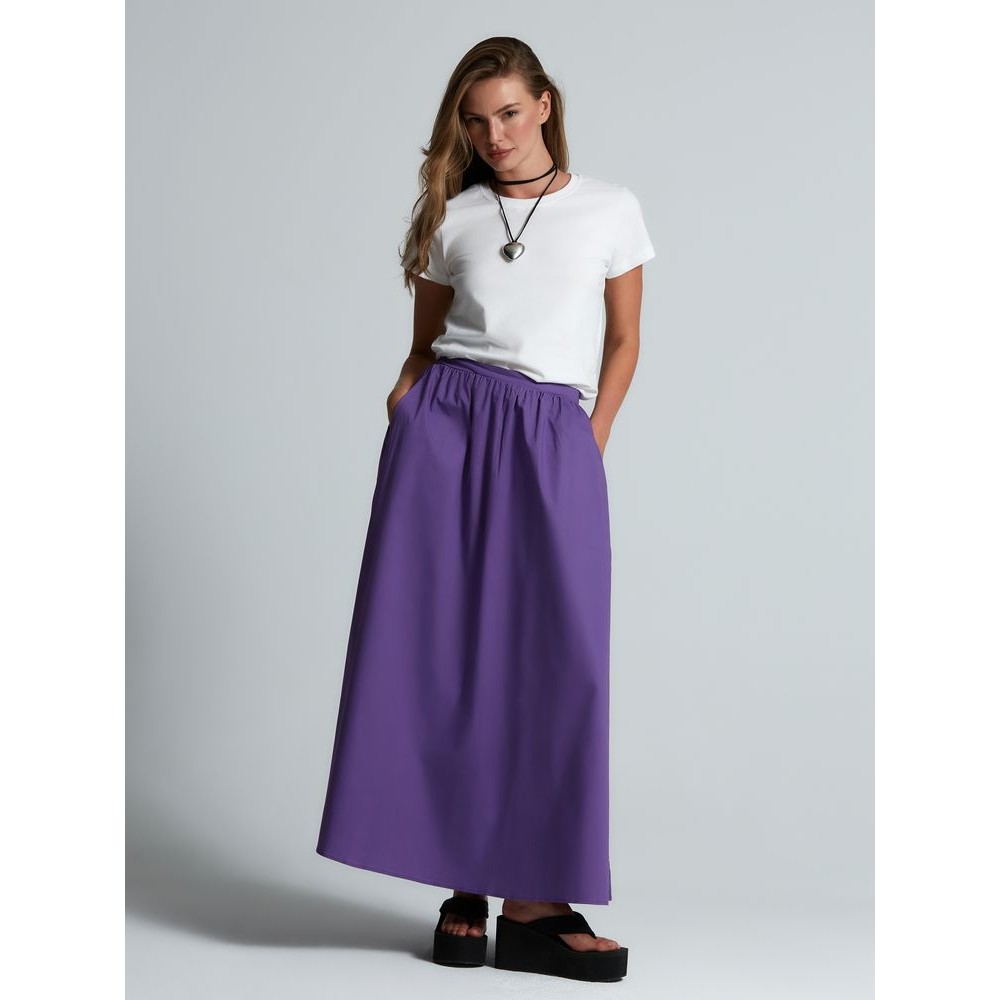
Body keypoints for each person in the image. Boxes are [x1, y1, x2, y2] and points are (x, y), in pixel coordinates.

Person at [315, 36, 654, 984]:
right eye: (475, 121)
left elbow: (624, 340)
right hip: (448, 431)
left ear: (544, 104)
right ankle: (463, 884)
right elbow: (423, 344)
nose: (494, 135)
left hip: (550, 433)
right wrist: (407, 404)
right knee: (442, 656)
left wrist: (590, 437)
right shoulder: (455, 216)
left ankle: (535, 897)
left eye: (508, 112)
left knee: (555, 661)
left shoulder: (610, 209)